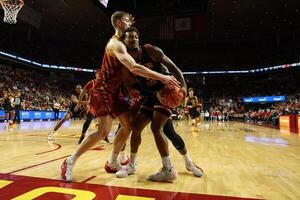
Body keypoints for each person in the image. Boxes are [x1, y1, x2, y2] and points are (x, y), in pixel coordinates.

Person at [61, 11, 179, 182]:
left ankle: (112, 161)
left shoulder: (124, 44)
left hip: (116, 91)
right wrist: (163, 77)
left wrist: (130, 88)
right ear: (118, 23)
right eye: (126, 21)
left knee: (129, 124)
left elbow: (123, 72)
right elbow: (134, 68)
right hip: (102, 89)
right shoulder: (115, 44)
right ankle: (69, 161)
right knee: (103, 131)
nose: (130, 23)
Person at [115, 27, 203, 181]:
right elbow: (136, 89)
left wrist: (183, 88)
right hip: (151, 95)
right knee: (137, 128)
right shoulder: (125, 65)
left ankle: (176, 166)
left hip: (166, 92)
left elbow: (174, 68)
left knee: (159, 129)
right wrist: (153, 94)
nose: (134, 39)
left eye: (136, 37)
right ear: (124, 41)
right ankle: (132, 165)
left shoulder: (151, 51)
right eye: (130, 37)